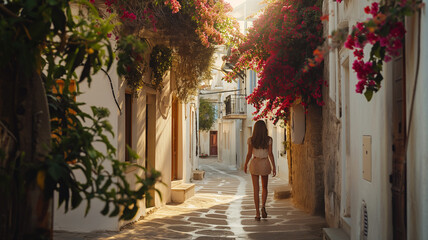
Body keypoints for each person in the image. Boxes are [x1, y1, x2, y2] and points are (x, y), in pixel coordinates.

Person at [244, 120, 276, 221]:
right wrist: (274, 166)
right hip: (265, 163)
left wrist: (245, 164)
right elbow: (270, 154)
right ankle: (263, 206)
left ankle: (257, 213)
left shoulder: (251, 140)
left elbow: (249, 154)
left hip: (255, 163)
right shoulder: (269, 140)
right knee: (265, 187)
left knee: (255, 189)